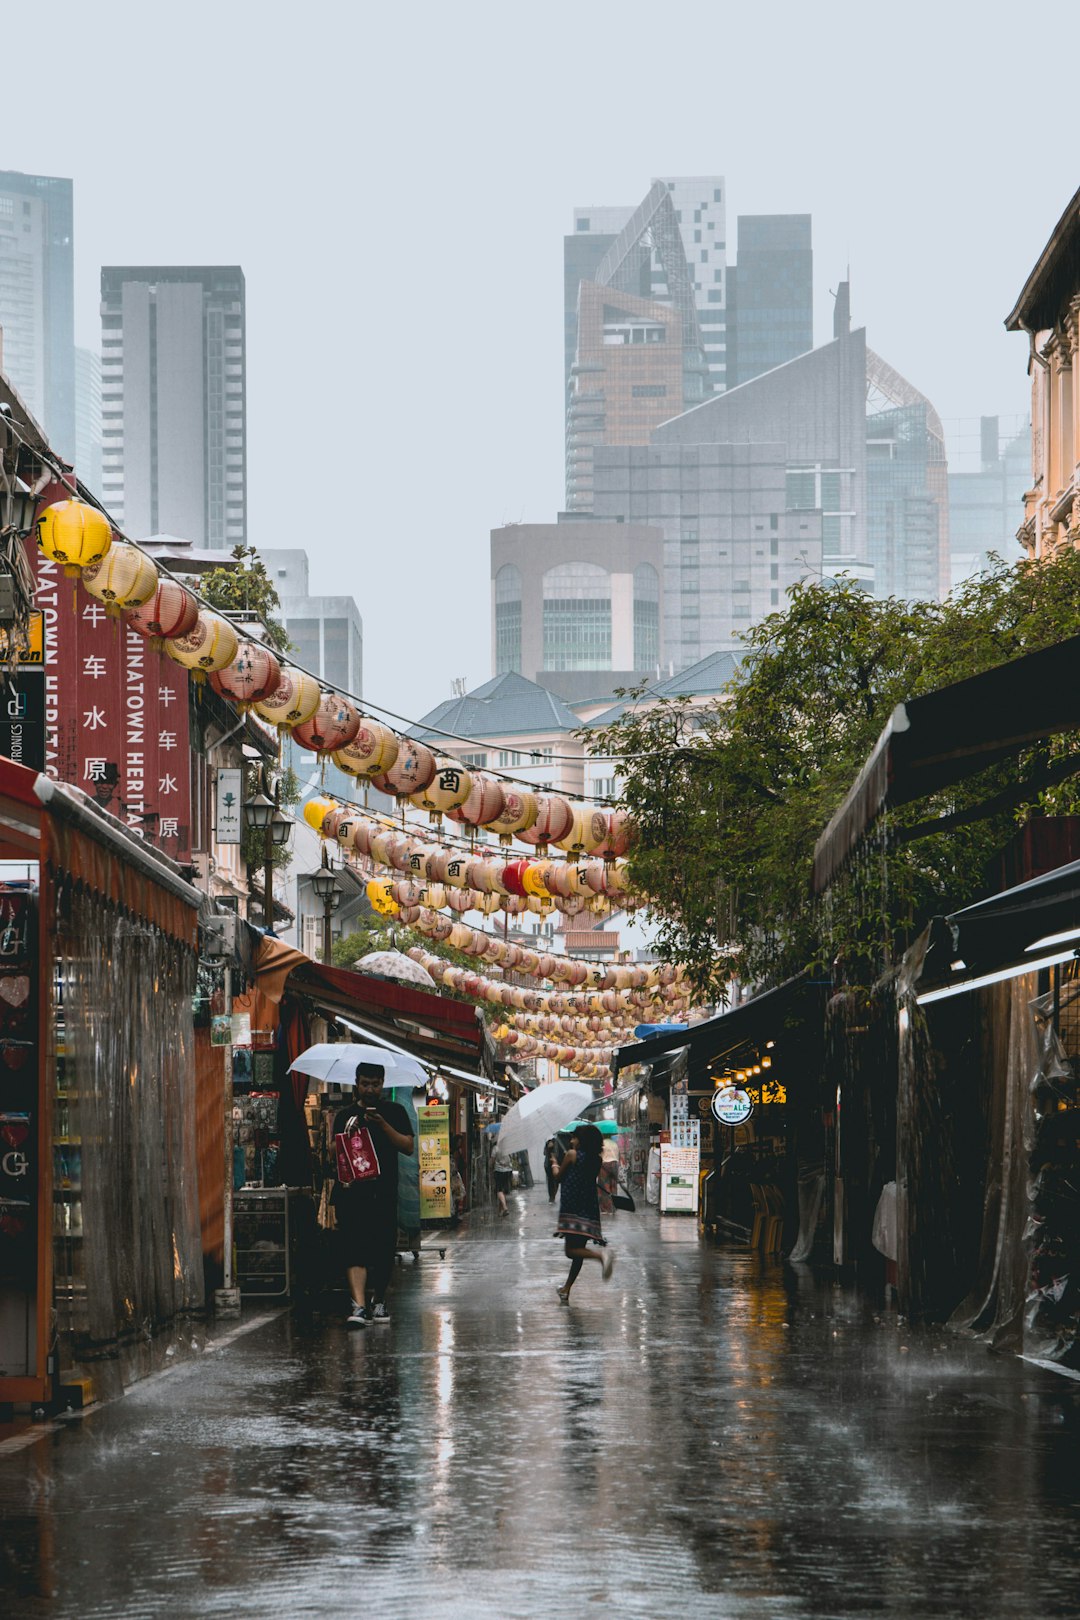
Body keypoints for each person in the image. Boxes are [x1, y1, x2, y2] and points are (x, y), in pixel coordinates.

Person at [333, 1061, 414, 1328]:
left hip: (384, 1193)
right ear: (356, 1083)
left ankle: (379, 1301)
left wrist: (383, 1127)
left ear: (383, 1083)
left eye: (375, 1084)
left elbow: (408, 1146)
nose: (370, 1089)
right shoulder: (344, 1116)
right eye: (365, 1084)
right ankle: (358, 1305)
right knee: (353, 1248)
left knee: (382, 1250)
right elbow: (338, 1153)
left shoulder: (395, 1111)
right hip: (353, 1195)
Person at [550, 1123, 615, 1303]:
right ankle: (566, 1289)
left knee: (571, 1251)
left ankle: (601, 1256)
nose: (571, 1141)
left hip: (572, 1208)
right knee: (578, 1250)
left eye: (574, 1138)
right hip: (588, 1208)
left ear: (582, 1140)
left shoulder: (571, 1155)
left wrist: (555, 1163)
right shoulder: (596, 1159)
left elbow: (558, 1177)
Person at [493, 1140, 513, 1216]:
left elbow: (492, 1160)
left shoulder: (496, 1148)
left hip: (499, 1171)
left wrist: (490, 1166)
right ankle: (500, 1211)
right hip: (508, 1171)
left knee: (499, 1190)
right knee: (502, 1190)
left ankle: (505, 1208)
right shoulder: (509, 1148)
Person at [544, 1136, 559, 1202]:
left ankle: (553, 1196)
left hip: (554, 1163)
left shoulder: (557, 1141)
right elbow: (544, 1153)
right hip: (549, 1164)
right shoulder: (550, 1141)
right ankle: (552, 1197)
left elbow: (556, 1153)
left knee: (555, 1181)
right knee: (551, 1181)